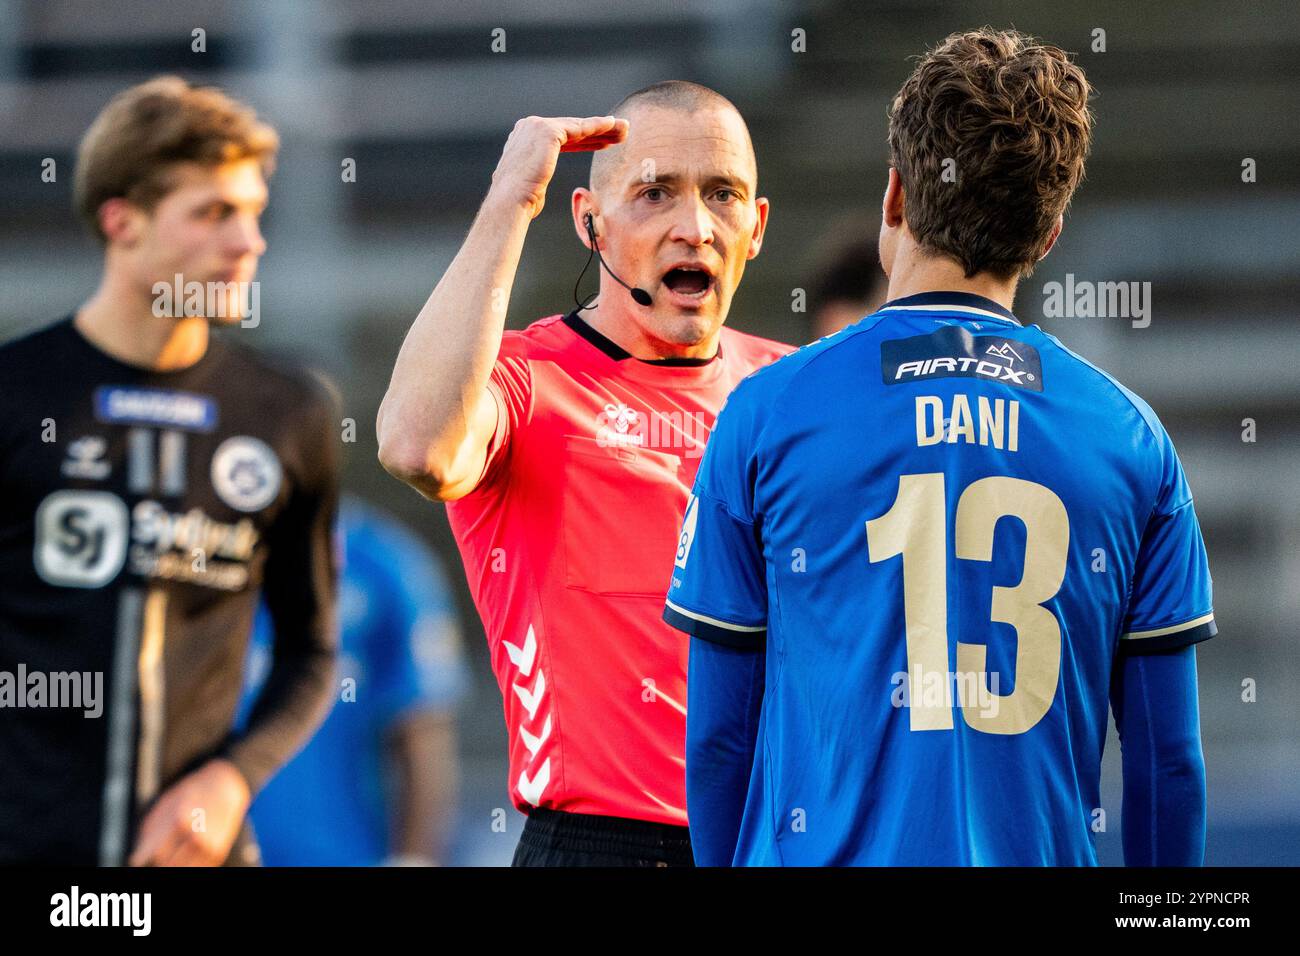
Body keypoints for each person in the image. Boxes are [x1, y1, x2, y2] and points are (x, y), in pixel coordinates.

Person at [667, 29, 1215, 866]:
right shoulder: (1131, 439)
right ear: (1051, 232)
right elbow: (1166, 765)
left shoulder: (766, 414)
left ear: (894, 197)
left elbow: (716, 742)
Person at [377, 80, 792, 866]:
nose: (694, 228)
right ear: (588, 222)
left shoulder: (792, 392)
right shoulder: (525, 383)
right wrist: (510, 198)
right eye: (654, 193)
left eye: (723, 195)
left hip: (779, 838)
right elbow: (416, 448)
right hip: (601, 845)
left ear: (758, 227)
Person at [0, 76, 339, 866]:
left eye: (253, 211)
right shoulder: (16, 394)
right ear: (124, 222)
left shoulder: (287, 412)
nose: (248, 242)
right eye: (214, 213)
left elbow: (311, 652)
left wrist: (231, 779)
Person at [238, 496, 469, 866]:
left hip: (345, 857)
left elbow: (421, 735)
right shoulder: (197, 555)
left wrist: (412, 860)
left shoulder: (384, 564)